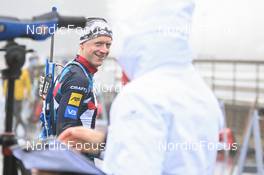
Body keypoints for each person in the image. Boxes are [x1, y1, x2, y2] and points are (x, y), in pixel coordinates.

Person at [59, 0, 224, 174]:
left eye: (108, 44)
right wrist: (108, 143)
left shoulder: (140, 97)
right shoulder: (203, 94)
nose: (106, 51)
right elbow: (172, 158)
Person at [51, 18, 112, 135]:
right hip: (73, 152)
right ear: (82, 44)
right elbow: (66, 131)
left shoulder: (74, 68)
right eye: (98, 43)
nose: (104, 50)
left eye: (108, 45)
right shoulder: (78, 79)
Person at [3, 68, 31, 132]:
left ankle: (16, 129)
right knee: (12, 114)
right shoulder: (10, 72)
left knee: (17, 114)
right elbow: (6, 83)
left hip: (18, 98)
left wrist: (28, 95)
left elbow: (28, 85)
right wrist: (5, 94)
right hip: (10, 97)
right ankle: (16, 129)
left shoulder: (24, 73)